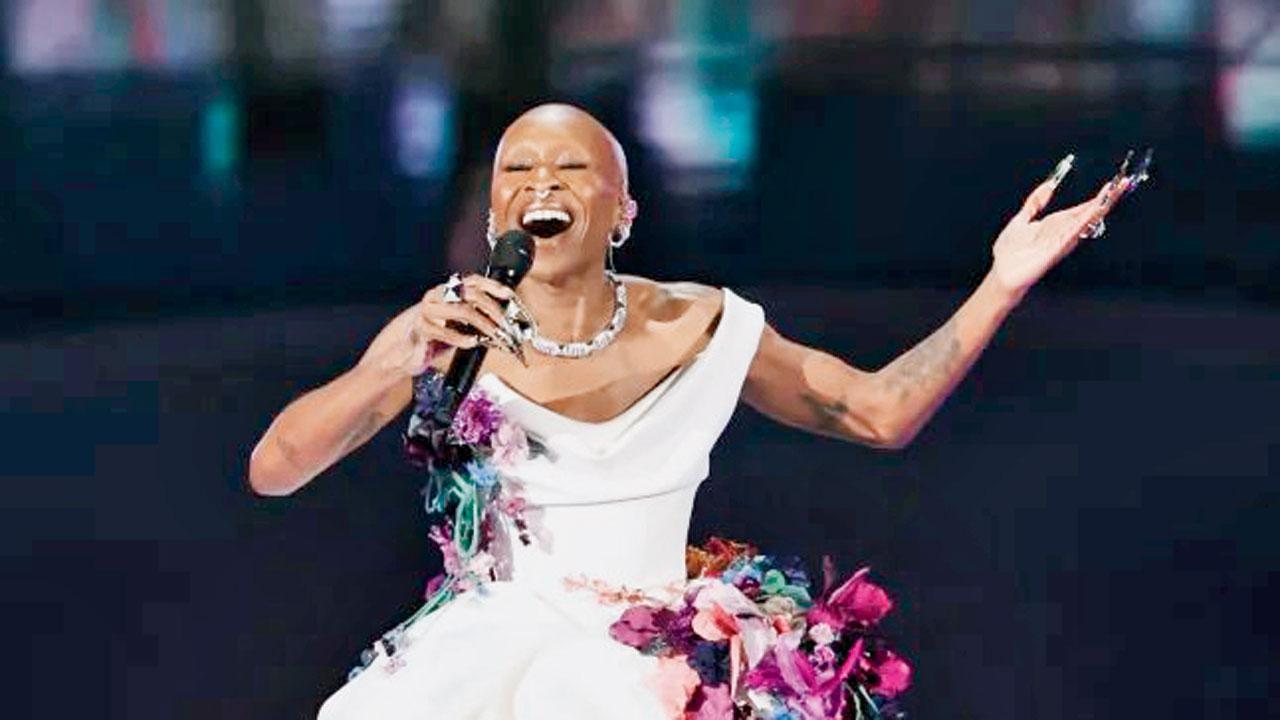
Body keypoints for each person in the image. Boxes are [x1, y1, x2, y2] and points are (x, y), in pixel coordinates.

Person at [248, 104, 1144, 719]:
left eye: (571, 166)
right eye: (517, 168)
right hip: (489, 640)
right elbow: (275, 469)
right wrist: (395, 366)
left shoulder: (705, 326)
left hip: (645, 655)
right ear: (495, 215)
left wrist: (999, 285)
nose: (541, 181)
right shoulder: (444, 332)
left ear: (622, 211)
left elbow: (879, 411)